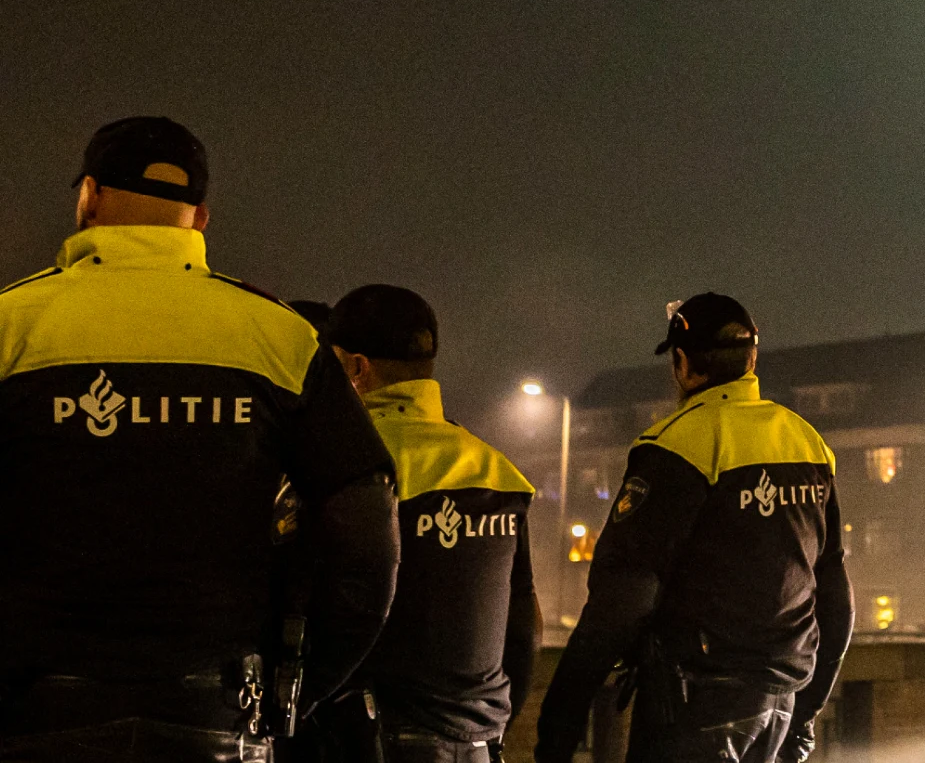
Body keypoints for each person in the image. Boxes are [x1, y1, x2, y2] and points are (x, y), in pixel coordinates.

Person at [0, 117, 400, 762]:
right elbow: (364, 524)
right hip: (218, 710)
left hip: (33, 712)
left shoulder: (12, 322)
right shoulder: (278, 336)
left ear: (90, 197)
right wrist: (307, 686)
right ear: (201, 217)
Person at [535, 293, 853, 763]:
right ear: (752, 359)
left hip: (694, 707)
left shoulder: (677, 445)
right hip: (780, 705)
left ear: (682, 363)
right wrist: (805, 711)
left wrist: (558, 728)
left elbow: (622, 602)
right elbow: (834, 594)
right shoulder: (806, 443)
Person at [295, 285, 541, 763]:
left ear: (356, 367)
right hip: (477, 744)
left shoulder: (342, 459)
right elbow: (523, 628)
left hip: (369, 741)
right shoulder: (497, 469)